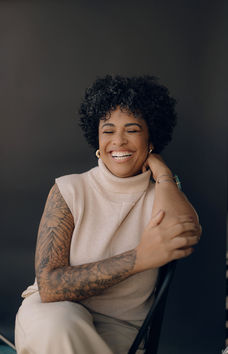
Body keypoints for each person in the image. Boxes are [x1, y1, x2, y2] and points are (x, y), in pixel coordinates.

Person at [15, 75, 202, 354]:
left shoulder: (160, 196)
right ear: (97, 138)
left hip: (121, 328)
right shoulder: (69, 189)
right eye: (108, 130)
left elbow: (183, 235)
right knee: (59, 325)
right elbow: (51, 286)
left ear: (151, 137)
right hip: (51, 314)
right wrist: (138, 259)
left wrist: (162, 172)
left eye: (133, 129)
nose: (119, 141)